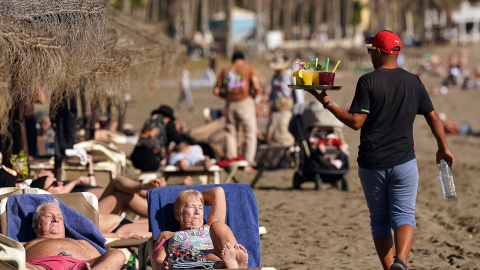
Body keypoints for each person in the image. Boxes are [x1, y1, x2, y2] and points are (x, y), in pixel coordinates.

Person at [305, 30, 454, 270]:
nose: (369, 54)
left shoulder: (368, 81)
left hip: (372, 163)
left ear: (378, 51)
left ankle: (390, 268)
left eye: (370, 49)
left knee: (380, 220)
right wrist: (443, 148)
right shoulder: (413, 81)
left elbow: (356, 122)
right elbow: (434, 118)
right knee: (404, 215)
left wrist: (326, 102)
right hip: (404, 162)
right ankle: (401, 262)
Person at [152, 187, 248, 269]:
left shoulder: (210, 227)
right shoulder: (167, 235)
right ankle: (230, 265)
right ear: (178, 214)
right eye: (192, 207)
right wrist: (162, 264)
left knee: (219, 225)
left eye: (201, 208)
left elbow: (218, 192)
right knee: (208, 256)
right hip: (188, 262)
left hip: (218, 255)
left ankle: (234, 261)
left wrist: (195, 196)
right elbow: (159, 258)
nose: (197, 211)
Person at [24, 199, 125, 270]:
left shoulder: (82, 243)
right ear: (35, 224)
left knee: (117, 255)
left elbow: (100, 259)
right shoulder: (26, 244)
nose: (55, 219)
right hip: (40, 267)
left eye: (59, 218)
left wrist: (120, 236)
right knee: (22, 266)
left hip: (81, 267)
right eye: (48, 216)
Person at [213, 51, 263, 173]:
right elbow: (256, 87)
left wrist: (227, 97)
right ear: (243, 59)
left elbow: (216, 91)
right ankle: (248, 163)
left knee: (230, 132)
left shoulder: (225, 70)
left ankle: (231, 161)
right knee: (250, 133)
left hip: (230, 104)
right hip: (245, 102)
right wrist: (256, 98)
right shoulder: (249, 68)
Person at [130, 106, 173, 171]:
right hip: (151, 157)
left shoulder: (150, 120)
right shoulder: (165, 123)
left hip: (136, 154)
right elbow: (157, 143)